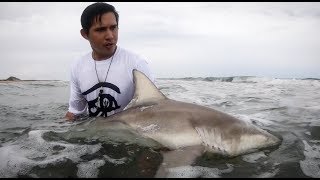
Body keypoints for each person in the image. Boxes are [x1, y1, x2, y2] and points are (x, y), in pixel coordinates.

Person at [65, 2, 154, 121]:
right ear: (85, 34)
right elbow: (75, 112)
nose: (110, 36)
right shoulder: (78, 66)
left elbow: (154, 109)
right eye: (101, 30)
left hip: (127, 134)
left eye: (113, 27)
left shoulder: (136, 63)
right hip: (94, 133)